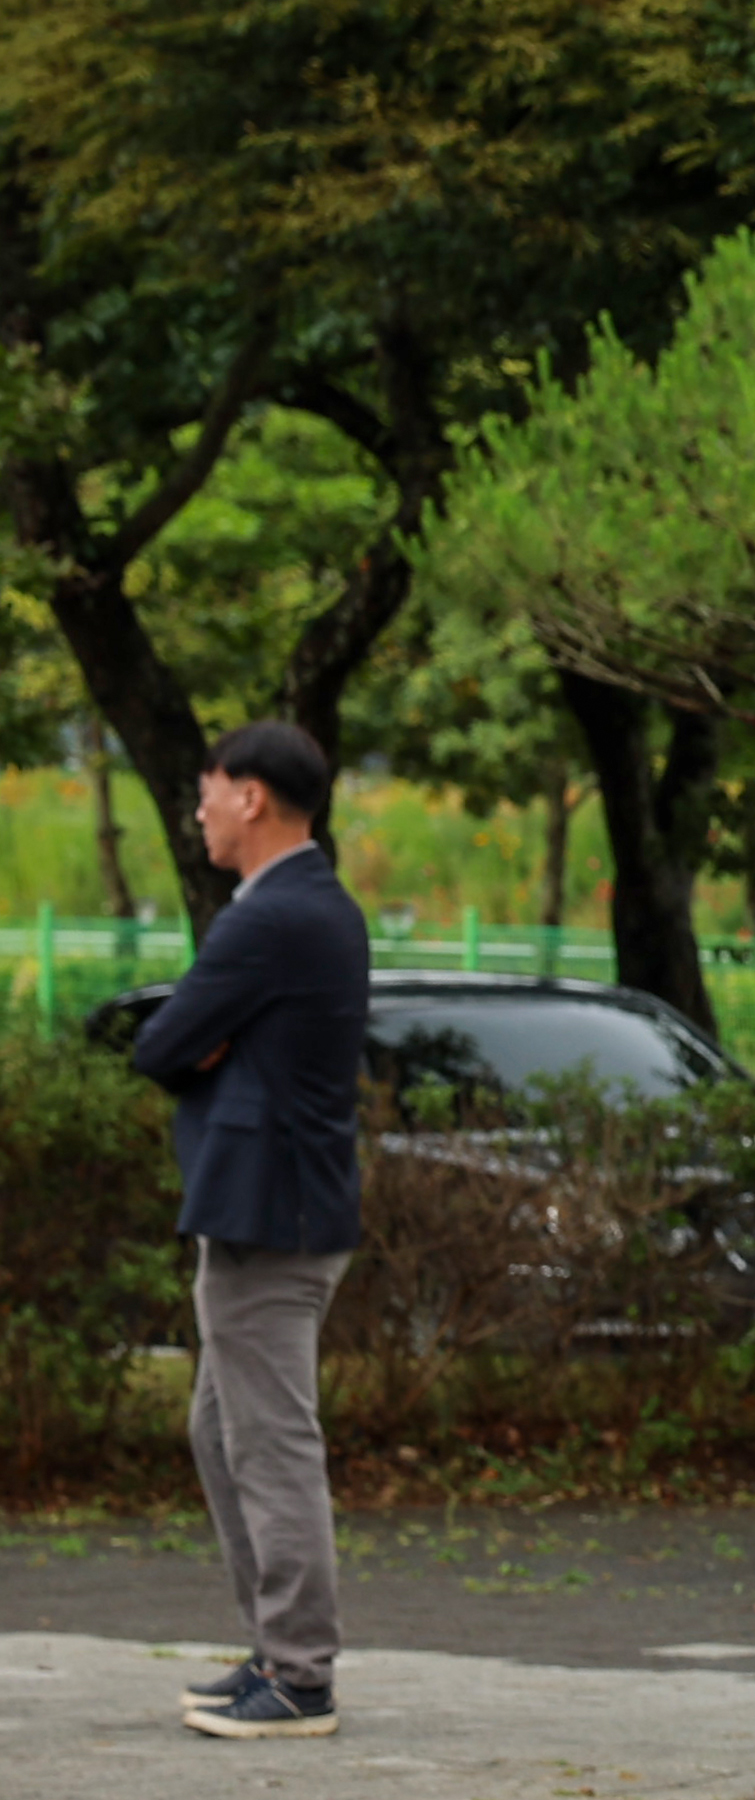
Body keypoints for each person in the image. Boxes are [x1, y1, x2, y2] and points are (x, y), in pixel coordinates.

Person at [127, 721, 371, 1739]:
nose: (200, 811)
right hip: (272, 1209)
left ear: (253, 797)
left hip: (271, 1218)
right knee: (223, 1429)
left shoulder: (273, 916)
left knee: (268, 1441)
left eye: (209, 791)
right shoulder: (312, 904)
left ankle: (301, 1676)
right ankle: (277, 1652)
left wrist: (202, 1045)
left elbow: (160, 1045)